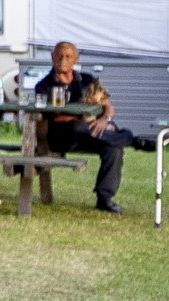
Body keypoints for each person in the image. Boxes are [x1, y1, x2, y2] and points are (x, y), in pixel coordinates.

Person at [32, 38, 151, 212]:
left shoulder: (87, 79)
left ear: (76, 59)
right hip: (62, 137)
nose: (63, 60)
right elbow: (56, 117)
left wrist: (104, 120)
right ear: (52, 57)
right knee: (80, 126)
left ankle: (104, 199)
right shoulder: (44, 85)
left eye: (68, 56)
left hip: (92, 133)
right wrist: (82, 115)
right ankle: (132, 140)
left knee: (113, 149)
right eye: (59, 56)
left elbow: (108, 106)